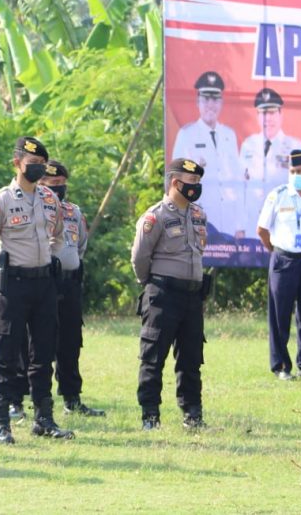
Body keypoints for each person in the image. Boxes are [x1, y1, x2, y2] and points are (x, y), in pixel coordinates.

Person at [0, 137, 71, 444]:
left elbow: (58, 235)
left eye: (41, 165)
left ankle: (44, 419)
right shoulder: (0, 201)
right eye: (32, 165)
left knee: (43, 354)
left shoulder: (48, 198)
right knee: (5, 356)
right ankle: (1, 424)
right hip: (12, 286)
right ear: (16, 164)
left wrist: (49, 258)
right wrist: (0, 273)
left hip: (44, 285)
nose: (38, 169)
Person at [131, 158, 209, 430]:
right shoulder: (156, 217)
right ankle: (150, 415)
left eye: (198, 182)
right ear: (176, 183)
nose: (196, 187)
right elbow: (140, 258)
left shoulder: (198, 215)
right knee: (153, 357)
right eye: (192, 183)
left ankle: (192, 414)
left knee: (191, 358)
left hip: (192, 297)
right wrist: (151, 284)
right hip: (163, 295)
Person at [257, 149, 301, 379]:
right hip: (283, 260)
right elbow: (262, 229)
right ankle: (281, 366)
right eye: (291, 171)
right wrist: (277, 251)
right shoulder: (277, 195)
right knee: (280, 316)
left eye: (299, 171)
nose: (295, 175)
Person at [42, 160, 104, 417]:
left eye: (61, 184)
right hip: (44, 283)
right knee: (41, 342)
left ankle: (72, 398)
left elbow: (80, 246)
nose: (58, 189)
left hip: (70, 284)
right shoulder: (34, 209)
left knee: (71, 342)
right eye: (52, 184)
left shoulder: (74, 212)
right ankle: (32, 399)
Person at [171, 71, 242, 239]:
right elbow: (176, 182)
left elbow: (236, 181)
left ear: (222, 102)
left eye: (215, 99)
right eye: (206, 99)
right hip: (198, 219)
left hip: (227, 221)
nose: (211, 104)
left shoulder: (229, 135)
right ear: (198, 101)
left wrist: (240, 224)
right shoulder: (187, 134)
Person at [240, 89, 301, 240]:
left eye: (272, 113)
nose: (267, 119)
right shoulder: (248, 145)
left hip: (282, 224)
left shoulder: (295, 146)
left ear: (281, 114)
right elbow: (240, 188)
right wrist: (239, 226)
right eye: (263, 113)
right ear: (257, 116)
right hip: (252, 225)